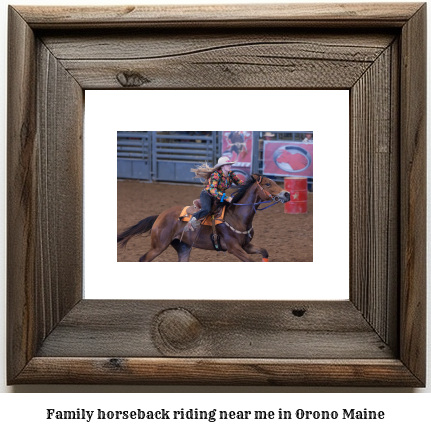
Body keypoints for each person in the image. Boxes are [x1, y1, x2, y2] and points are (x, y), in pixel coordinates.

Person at [185, 156, 245, 231]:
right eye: (227, 164)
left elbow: (239, 182)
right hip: (207, 195)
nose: (230, 166)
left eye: (230, 164)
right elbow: (213, 190)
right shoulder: (216, 175)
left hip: (219, 196)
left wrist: (251, 185)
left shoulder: (230, 174)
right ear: (222, 166)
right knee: (206, 209)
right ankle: (192, 220)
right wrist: (227, 198)